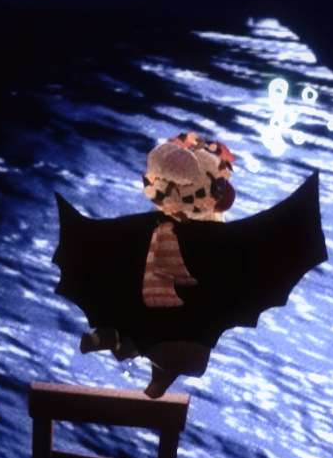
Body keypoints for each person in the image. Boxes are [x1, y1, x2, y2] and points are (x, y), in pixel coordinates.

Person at [80, 131, 237, 398]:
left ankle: (119, 339)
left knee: (161, 321)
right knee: (171, 330)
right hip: (180, 289)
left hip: (174, 286)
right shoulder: (195, 212)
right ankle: (122, 340)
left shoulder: (181, 215)